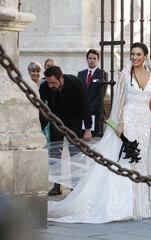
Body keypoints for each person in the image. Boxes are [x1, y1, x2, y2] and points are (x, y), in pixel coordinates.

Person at [47, 42, 151, 223]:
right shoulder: (125, 74)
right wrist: (119, 124)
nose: (135, 57)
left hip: (146, 124)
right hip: (128, 122)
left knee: (143, 160)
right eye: (132, 54)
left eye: (138, 54)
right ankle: (131, 205)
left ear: (145, 56)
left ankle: (141, 202)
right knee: (129, 160)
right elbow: (120, 102)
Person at [39, 66, 93, 196]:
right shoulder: (44, 87)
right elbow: (43, 110)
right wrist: (42, 130)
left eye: (53, 82)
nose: (51, 85)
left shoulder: (75, 82)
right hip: (56, 121)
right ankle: (57, 185)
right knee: (54, 154)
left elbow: (85, 105)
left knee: (75, 153)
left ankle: (75, 186)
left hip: (74, 120)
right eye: (48, 82)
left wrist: (88, 129)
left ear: (61, 78)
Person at [77, 49, 107, 137]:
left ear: (98, 60)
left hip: (95, 113)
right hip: (82, 113)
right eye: (90, 58)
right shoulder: (80, 74)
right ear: (87, 59)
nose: (92, 60)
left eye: (94, 58)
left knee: (94, 139)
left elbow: (101, 94)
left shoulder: (102, 74)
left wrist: (89, 109)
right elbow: (78, 93)